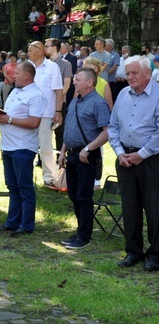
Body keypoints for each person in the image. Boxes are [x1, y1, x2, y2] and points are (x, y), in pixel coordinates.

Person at [108, 56, 159, 270]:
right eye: (127, 73)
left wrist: (142, 154)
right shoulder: (122, 94)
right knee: (130, 207)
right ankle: (133, 252)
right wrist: (120, 153)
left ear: (148, 73)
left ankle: (155, 255)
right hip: (125, 159)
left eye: (134, 73)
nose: (130, 77)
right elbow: (112, 127)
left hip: (151, 159)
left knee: (154, 208)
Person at [57, 68, 111, 249]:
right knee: (73, 195)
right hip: (72, 154)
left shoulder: (98, 103)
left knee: (84, 196)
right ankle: (81, 231)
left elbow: (107, 132)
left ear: (90, 82)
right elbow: (70, 127)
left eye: (78, 80)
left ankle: (84, 237)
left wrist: (87, 149)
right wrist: (63, 150)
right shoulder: (75, 101)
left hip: (86, 156)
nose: (74, 82)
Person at [0, 62, 45, 235]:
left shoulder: (36, 95)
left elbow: (34, 122)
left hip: (23, 147)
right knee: (12, 186)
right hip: (7, 145)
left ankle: (26, 225)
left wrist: (8, 120)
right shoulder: (15, 90)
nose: (13, 76)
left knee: (24, 187)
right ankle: (12, 222)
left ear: (27, 76)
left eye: (16, 73)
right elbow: (11, 115)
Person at [27, 41, 63, 188]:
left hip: (45, 113)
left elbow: (58, 91)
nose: (28, 52)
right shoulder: (27, 66)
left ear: (40, 51)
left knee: (45, 146)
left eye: (30, 50)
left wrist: (58, 111)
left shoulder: (52, 67)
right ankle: (26, 177)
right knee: (26, 146)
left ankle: (49, 177)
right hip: (27, 114)